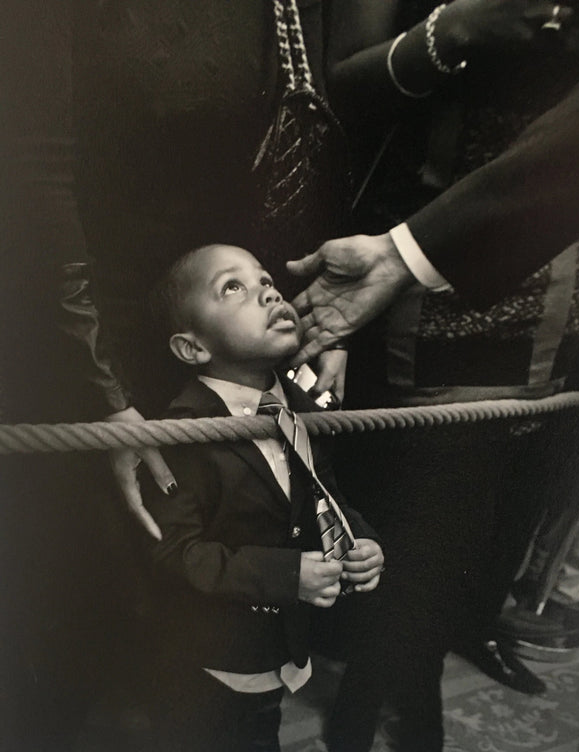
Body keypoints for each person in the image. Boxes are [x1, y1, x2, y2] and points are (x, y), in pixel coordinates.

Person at [1, 1, 349, 746]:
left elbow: (304, 131)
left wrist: (311, 310)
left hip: (234, 331)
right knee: (102, 644)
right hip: (95, 336)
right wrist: (101, 394)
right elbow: (31, 171)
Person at [285, 11, 579, 752]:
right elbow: (335, 92)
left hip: (565, 273)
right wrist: (461, 27)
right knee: (425, 523)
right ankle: (377, 697)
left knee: (493, 531)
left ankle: (400, 678)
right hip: (432, 269)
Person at [137, 243, 383, 751]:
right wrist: (285, 576)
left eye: (266, 280)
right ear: (193, 348)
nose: (268, 292)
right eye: (234, 287)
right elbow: (173, 554)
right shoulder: (182, 433)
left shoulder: (299, 407)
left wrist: (360, 539)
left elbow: (322, 496)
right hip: (207, 661)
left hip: (274, 651)